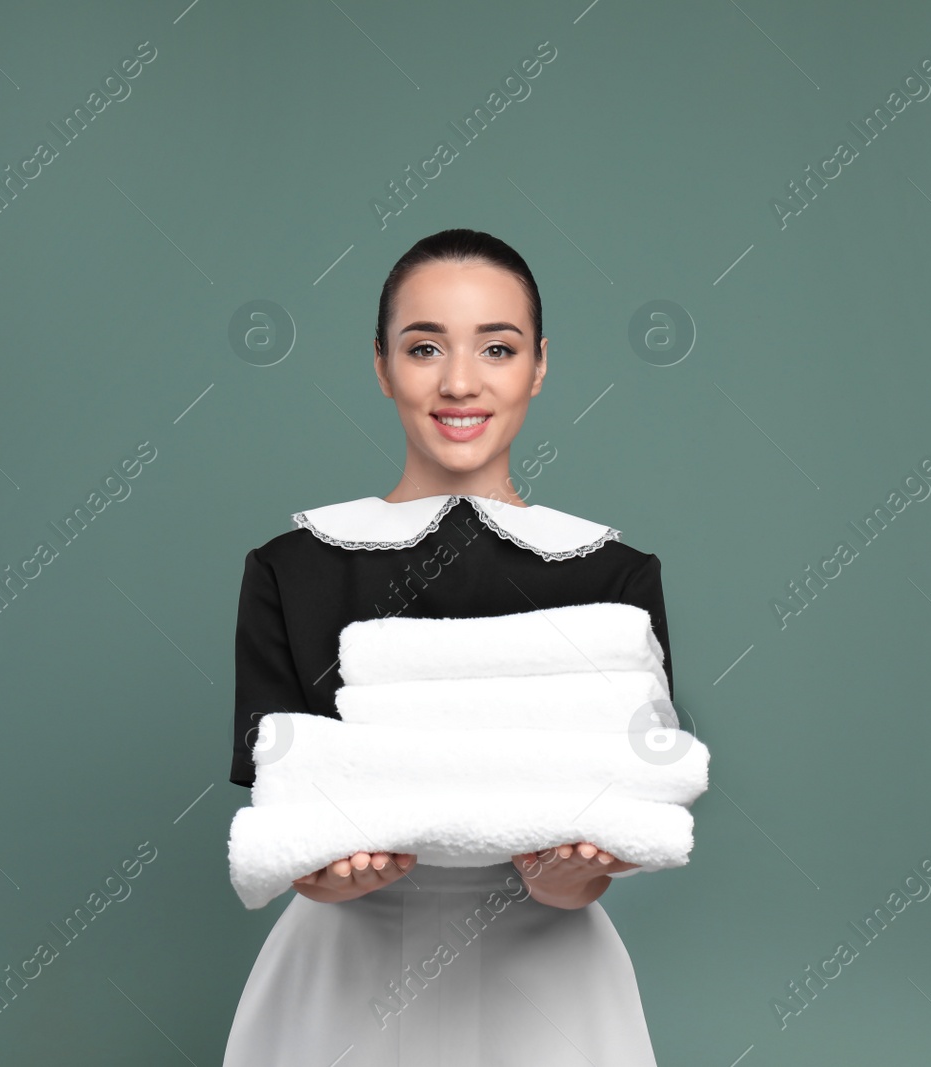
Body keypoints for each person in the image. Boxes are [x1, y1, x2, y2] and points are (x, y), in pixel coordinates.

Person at [222, 228, 676, 1064]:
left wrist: (567, 876)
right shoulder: (290, 568)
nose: (459, 380)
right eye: (424, 346)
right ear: (382, 364)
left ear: (538, 365)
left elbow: (624, 809)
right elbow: (283, 807)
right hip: (335, 980)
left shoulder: (614, 575)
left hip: (551, 988)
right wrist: (321, 870)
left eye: (496, 348)